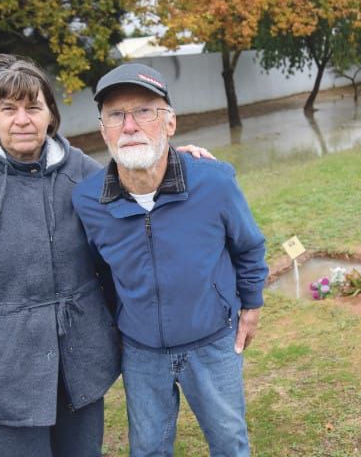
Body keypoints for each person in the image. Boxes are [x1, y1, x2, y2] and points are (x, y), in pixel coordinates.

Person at [0, 54, 211, 456]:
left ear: (50, 114)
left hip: (80, 366)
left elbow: (139, 192)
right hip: (3, 371)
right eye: (8, 108)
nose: (22, 119)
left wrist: (175, 159)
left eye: (33, 107)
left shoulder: (85, 174)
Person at [72, 63, 268, 457]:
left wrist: (251, 304)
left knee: (230, 442)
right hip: (141, 351)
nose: (130, 125)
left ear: (170, 122)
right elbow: (100, 271)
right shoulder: (88, 200)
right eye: (116, 114)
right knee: (147, 448)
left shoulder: (214, 182)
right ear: (102, 129)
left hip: (212, 341)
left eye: (145, 111)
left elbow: (248, 246)